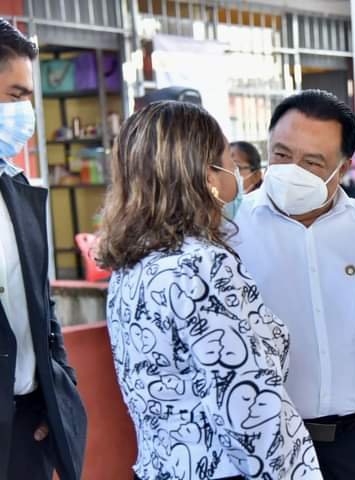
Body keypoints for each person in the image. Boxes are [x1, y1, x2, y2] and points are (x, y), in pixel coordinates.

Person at [97, 101, 321, 480]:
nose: (235, 171)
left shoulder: (131, 265)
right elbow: (247, 407)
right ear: (207, 176)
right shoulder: (203, 266)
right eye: (228, 158)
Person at [229, 90, 355, 480]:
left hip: (353, 443)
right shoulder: (232, 228)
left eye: (312, 162)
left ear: (343, 166)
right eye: (282, 154)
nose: (292, 170)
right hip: (263, 442)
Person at [0, 19, 87, 480]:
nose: (25, 112)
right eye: (15, 96)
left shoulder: (19, 189)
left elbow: (41, 303)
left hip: (26, 433)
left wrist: (55, 391)